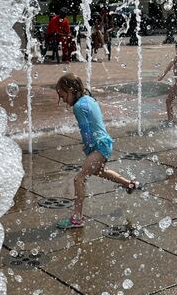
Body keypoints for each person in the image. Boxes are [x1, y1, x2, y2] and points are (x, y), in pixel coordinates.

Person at [55, 73, 138, 229]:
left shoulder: (79, 107)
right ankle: (129, 184)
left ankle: (77, 218)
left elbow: (86, 131)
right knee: (101, 171)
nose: (63, 100)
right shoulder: (89, 99)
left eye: (63, 95)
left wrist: (88, 148)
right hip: (105, 144)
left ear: (71, 90)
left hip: (98, 146)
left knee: (79, 178)